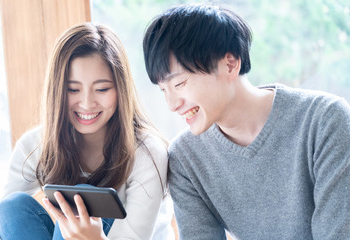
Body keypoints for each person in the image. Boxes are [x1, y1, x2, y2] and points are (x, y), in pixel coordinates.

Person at [142, 3, 350, 240]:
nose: (172, 104)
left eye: (179, 84)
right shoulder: (185, 157)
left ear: (230, 64)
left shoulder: (325, 121)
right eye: (163, 90)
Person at [0, 22, 174, 240]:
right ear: (57, 90)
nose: (87, 104)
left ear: (120, 90)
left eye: (102, 89)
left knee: (82, 205)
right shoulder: (36, 144)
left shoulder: (148, 152)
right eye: (73, 89)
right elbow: (0, 226)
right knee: (12, 207)